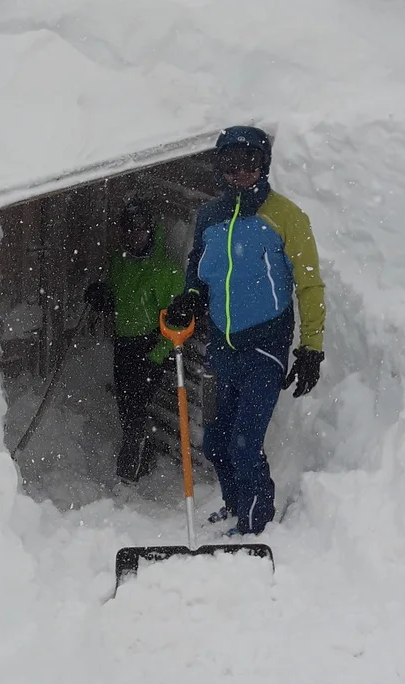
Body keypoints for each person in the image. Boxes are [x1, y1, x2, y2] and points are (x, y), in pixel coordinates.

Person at [165, 125, 326, 536]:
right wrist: (190, 298)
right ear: (219, 169)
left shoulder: (286, 217)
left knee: (244, 442)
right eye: (231, 164)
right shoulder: (209, 218)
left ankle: (257, 525)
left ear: (263, 166)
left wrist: (311, 348)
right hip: (222, 346)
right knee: (215, 444)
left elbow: (309, 284)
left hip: (265, 345)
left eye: (249, 163)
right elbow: (199, 273)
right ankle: (237, 507)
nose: (240, 173)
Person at [85, 196, 185, 483]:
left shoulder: (165, 271)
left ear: (150, 230)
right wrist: (102, 295)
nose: (133, 236)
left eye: (139, 229)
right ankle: (142, 453)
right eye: (127, 229)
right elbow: (119, 294)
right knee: (126, 407)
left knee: (135, 412)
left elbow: (175, 323)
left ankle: (129, 472)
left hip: (150, 347)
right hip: (124, 343)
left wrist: (154, 357)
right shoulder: (120, 260)